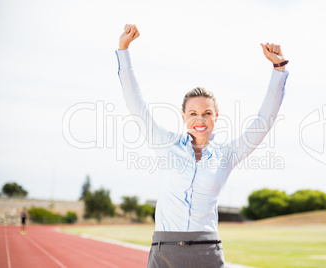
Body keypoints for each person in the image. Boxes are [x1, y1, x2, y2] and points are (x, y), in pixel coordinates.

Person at [116, 24, 289, 268]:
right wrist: (123, 50)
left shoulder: (227, 154)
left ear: (216, 116)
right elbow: (135, 103)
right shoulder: (165, 144)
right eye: (193, 113)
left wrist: (278, 69)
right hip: (164, 253)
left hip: (207, 253)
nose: (200, 119)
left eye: (207, 113)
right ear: (183, 115)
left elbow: (264, 121)